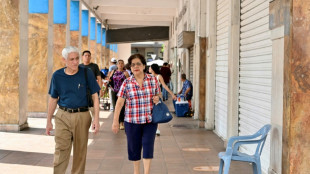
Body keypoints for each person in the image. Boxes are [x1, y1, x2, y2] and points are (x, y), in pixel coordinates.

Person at [45, 46, 100, 174]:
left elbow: (95, 97)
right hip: (62, 116)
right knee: (61, 149)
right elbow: (53, 99)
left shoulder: (87, 73)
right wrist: (48, 121)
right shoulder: (57, 76)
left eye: (77, 58)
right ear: (64, 60)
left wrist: (96, 119)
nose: (75, 62)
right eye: (71, 59)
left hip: (82, 116)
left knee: (80, 152)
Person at [112, 54, 160, 174]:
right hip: (132, 122)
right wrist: (115, 122)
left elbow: (159, 95)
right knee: (134, 149)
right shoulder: (127, 83)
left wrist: (157, 98)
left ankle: (146, 172)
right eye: (133, 65)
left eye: (138, 64)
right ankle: (136, 172)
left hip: (150, 121)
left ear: (144, 66)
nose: (135, 66)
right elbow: (119, 103)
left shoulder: (153, 80)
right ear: (130, 68)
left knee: (148, 147)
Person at [149, 63, 176, 136]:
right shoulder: (148, 76)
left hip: (156, 97)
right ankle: (151, 128)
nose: (149, 69)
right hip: (149, 98)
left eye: (150, 67)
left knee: (156, 112)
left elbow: (164, 86)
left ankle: (157, 129)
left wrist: (172, 94)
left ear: (153, 69)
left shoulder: (159, 76)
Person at [103, 59, 129, 129]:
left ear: (123, 65)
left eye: (122, 63)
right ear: (117, 65)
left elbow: (129, 82)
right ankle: (116, 122)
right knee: (115, 107)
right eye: (119, 63)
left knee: (122, 107)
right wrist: (107, 83)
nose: (120, 65)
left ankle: (121, 122)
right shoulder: (113, 72)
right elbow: (109, 79)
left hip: (123, 92)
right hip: (114, 91)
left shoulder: (126, 73)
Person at [80, 50, 102, 117]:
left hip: (93, 90)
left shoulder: (94, 66)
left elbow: (99, 78)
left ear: (90, 57)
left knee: (94, 108)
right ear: (82, 57)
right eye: (85, 55)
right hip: (82, 90)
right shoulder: (79, 66)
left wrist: (100, 90)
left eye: (88, 56)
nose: (87, 57)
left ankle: (95, 122)